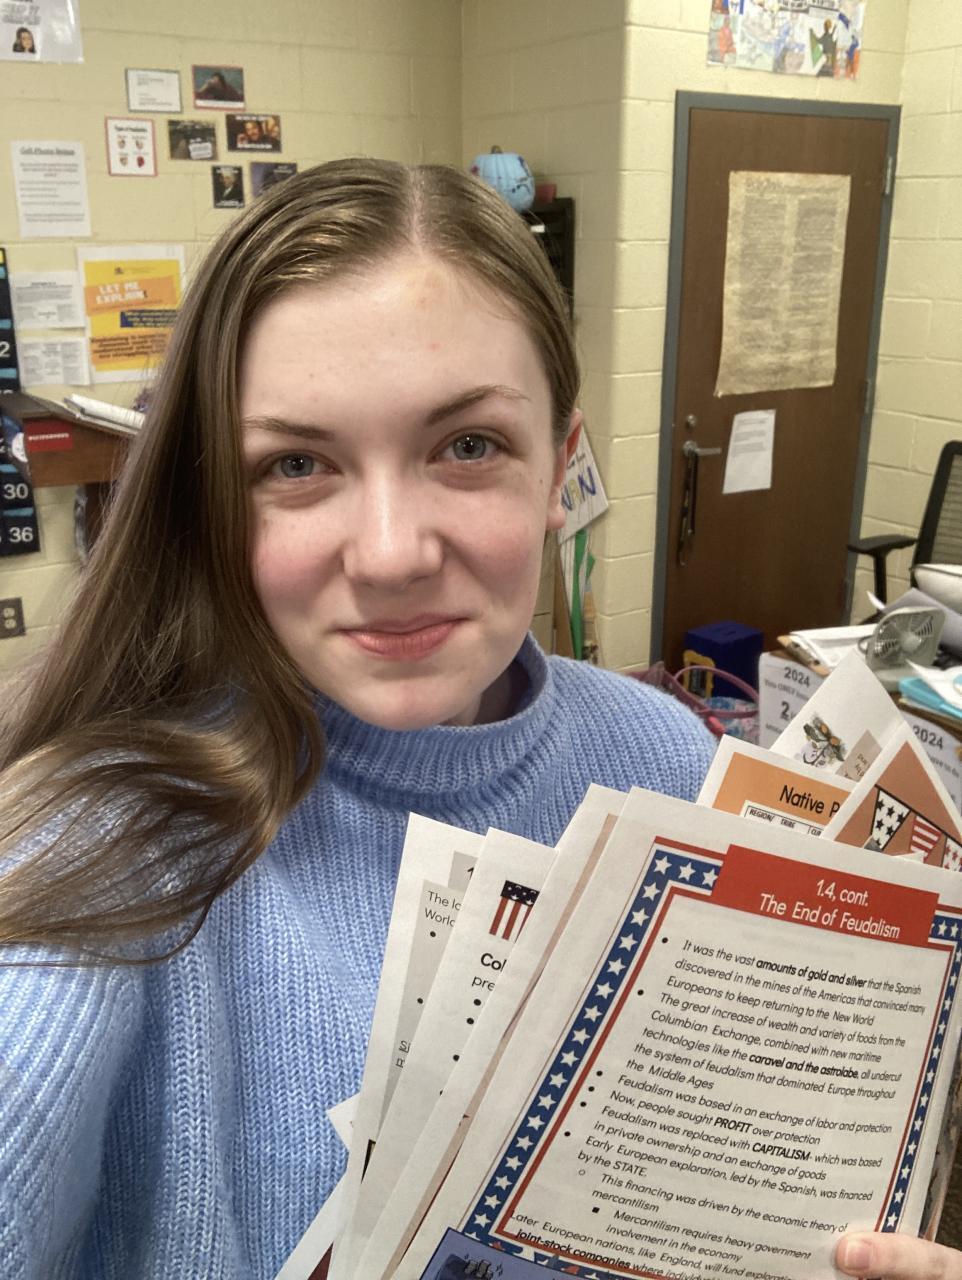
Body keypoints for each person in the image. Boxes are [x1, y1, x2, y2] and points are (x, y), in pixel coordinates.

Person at [0, 160, 953, 1280]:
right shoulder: (102, 838)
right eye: (296, 464)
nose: (391, 554)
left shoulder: (666, 753)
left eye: (467, 447)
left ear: (560, 468)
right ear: (217, 498)